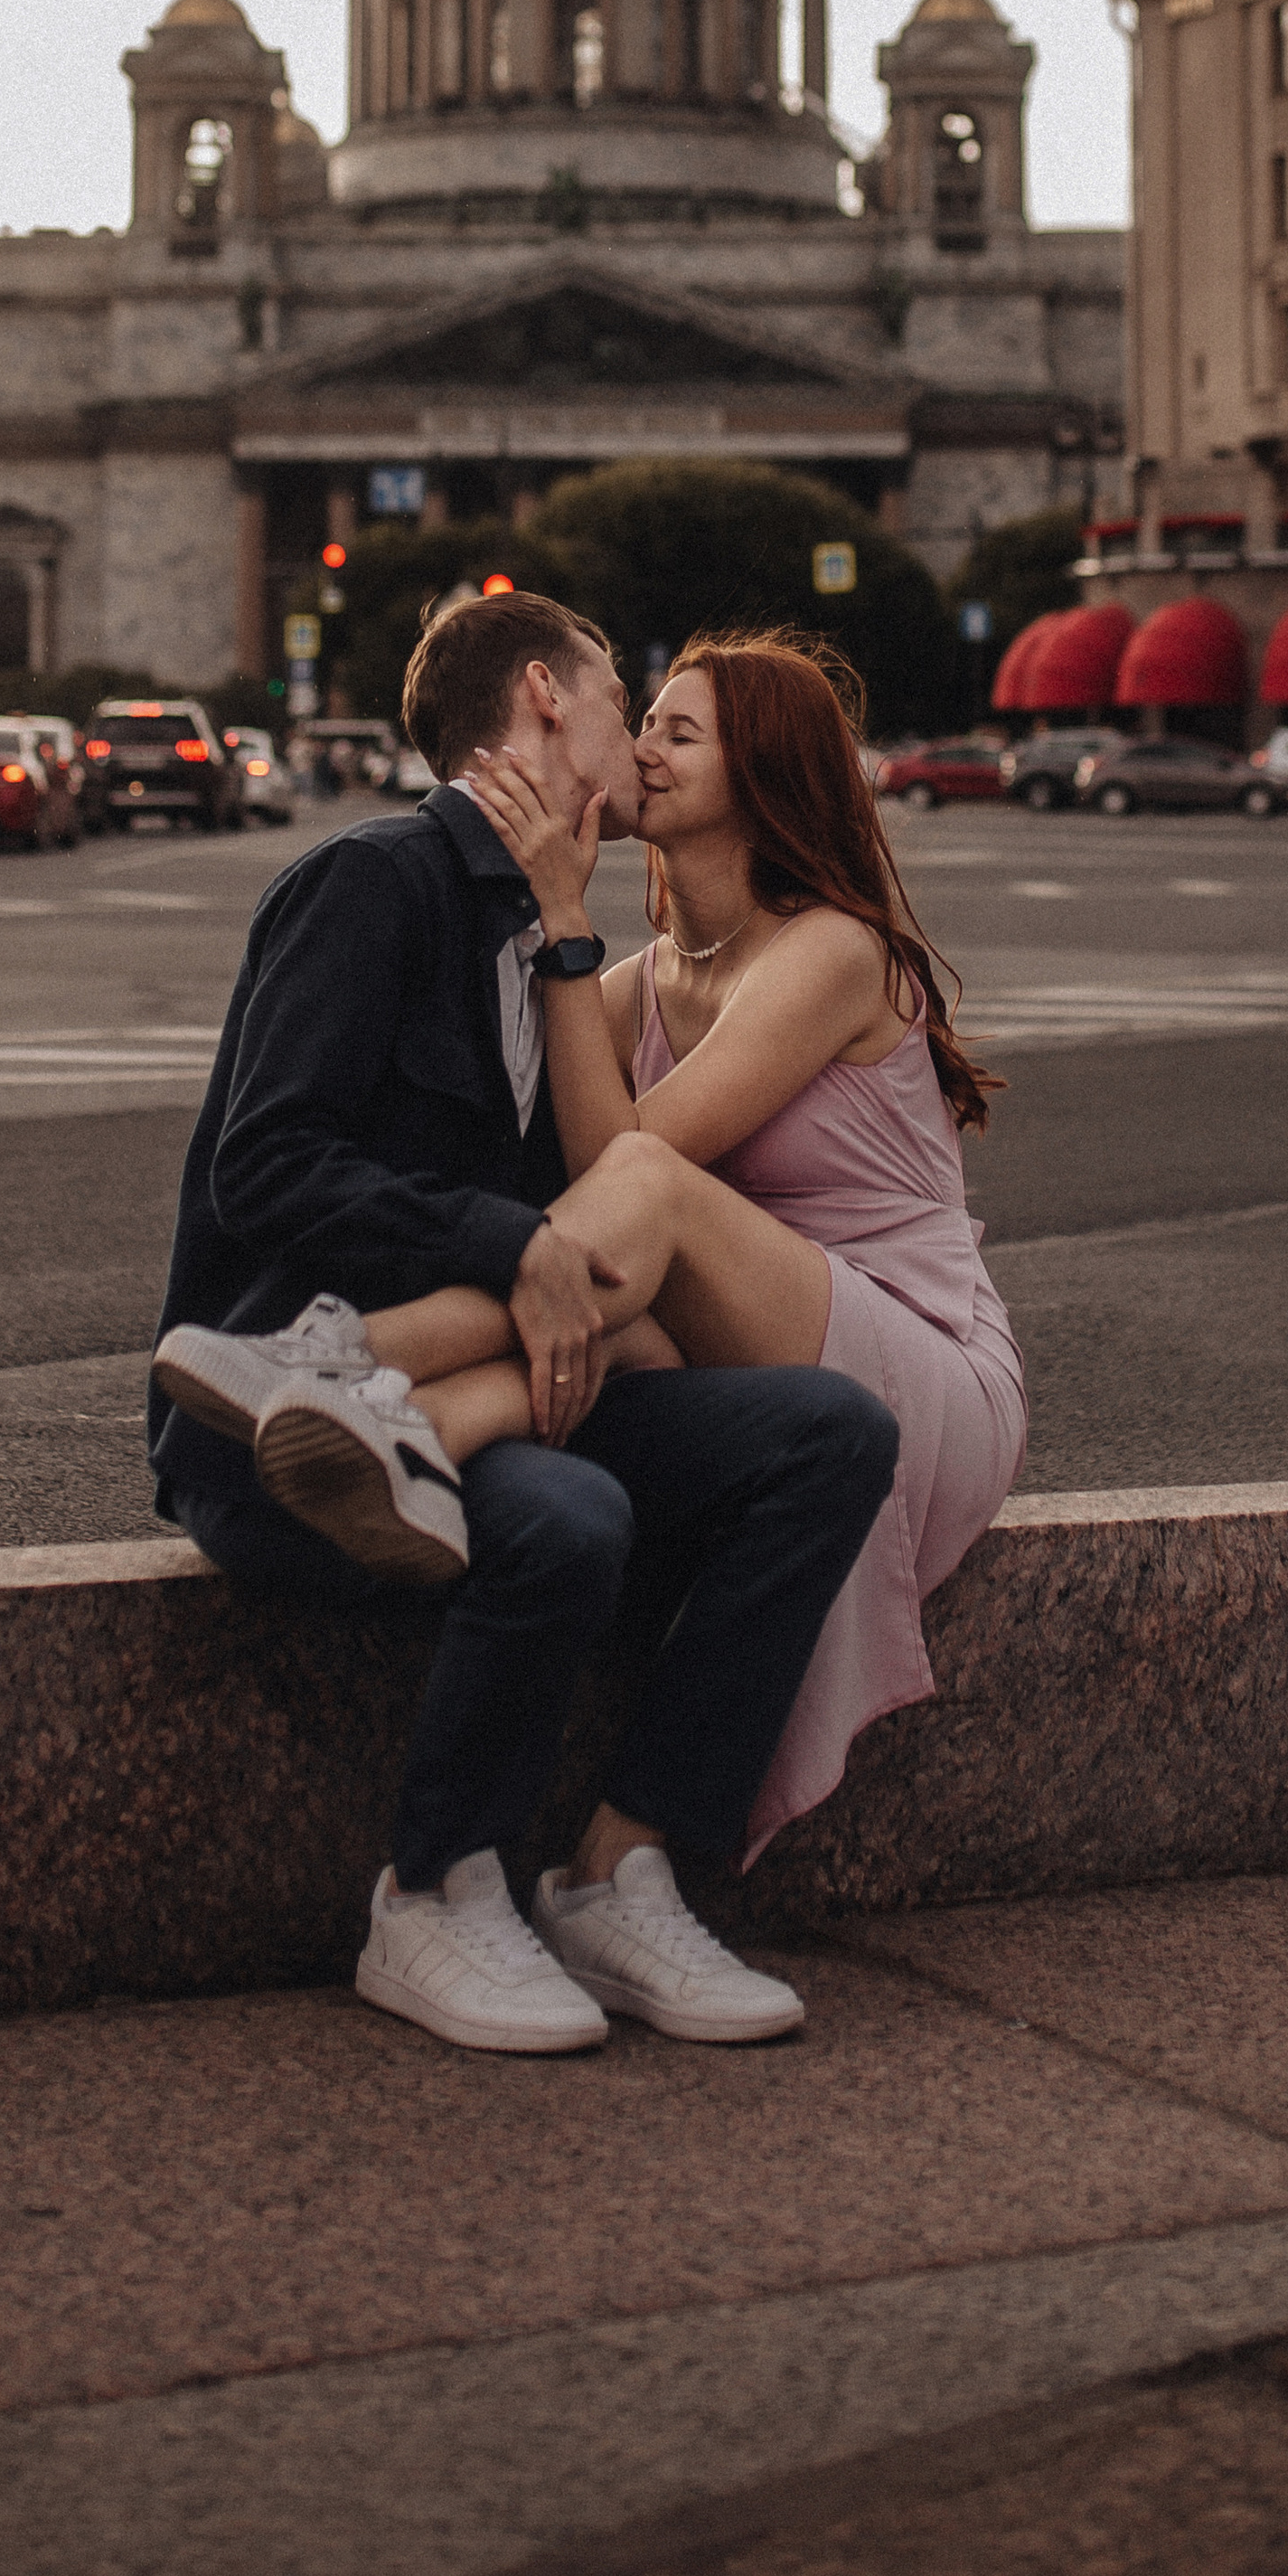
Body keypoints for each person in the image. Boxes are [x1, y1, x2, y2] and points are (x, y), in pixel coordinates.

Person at [149, 592, 899, 2059]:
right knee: (569, 1520)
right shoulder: (372, 885)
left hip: (483, 1383)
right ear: (550, 700)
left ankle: (626, 1875)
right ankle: (431, 1892)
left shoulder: (555, 947)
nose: (639, 731)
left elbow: (618, 1188)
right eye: (627, 696)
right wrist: (517, 1248)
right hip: (272, 1418)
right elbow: (267, 1166)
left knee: (829, 1433)